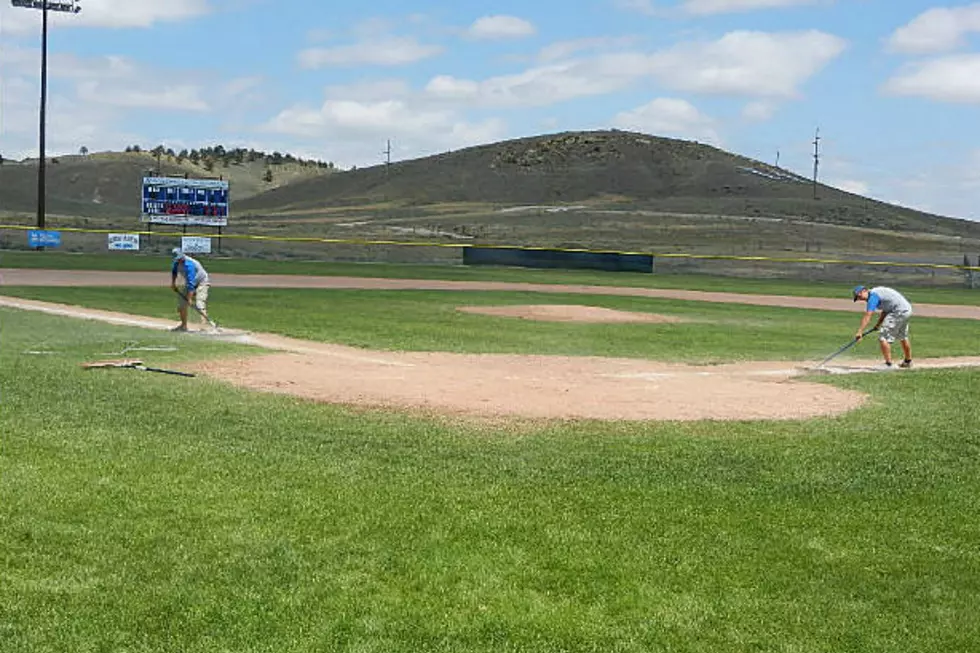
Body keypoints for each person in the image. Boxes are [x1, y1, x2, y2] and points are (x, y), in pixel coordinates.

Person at [852, 285, 913, 369]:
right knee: (902, 336)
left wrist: (860, 331)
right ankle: (908, 361)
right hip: (906, 310)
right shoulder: (878, 293)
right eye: (858, 298)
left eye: (859, 296)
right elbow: (885, 311)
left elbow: (868, 315)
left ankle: (888, 364)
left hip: (898, 311)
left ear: (864, 291)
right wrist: (878, 324)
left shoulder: (873, 296)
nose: (860, 299)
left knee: (883, 337)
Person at [170, 247, 211, 332]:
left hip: (202, 282)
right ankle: (183, 326)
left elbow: (191, 284)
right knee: (181, 305)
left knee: (200, 303)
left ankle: (204, 327)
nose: (180, 260)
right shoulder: (176, 262)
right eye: (178, 259)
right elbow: (174, 272)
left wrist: (189, 299)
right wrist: (173, 283)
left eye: (180, 258)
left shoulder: (189, 265)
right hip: (191, 282)